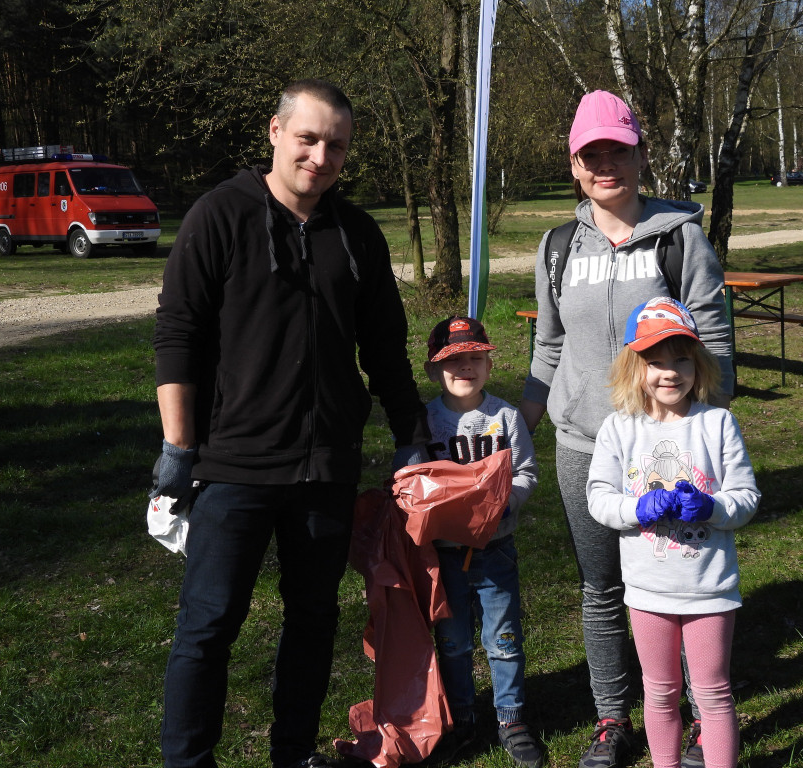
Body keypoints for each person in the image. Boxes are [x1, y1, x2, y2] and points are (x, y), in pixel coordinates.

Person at [151, 79, 430, 768]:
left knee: (313, 619)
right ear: (275, 133)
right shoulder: (219, 217)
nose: (320, 155)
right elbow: (177, 337)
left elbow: (385, 347)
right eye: (308, 138)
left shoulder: (356, 234)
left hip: (325, 467)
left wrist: (410, 435)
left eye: (335, 144)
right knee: (209, 627)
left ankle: (293, 753)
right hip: (233, 466)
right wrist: (177, 449)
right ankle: (189, 760)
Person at [518, 90, 734, 768]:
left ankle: (701, 719)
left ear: (640, 155)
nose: (605, 163)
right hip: (583, 447)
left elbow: (714, 336)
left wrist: (706, 425)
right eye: (592, 153)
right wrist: (522, 424)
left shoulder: (680, 238)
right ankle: (614, 720)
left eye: (618, 149)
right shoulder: (557, 247)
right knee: (601, 588)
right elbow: (548, 348)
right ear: (575, 164)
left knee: (686, 581)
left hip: (668, 447)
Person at [586, 297, 760, 768]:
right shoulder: (618, 429)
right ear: (632, 367)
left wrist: (711, 506)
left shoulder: (718, 423)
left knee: (712, 693)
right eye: (655, 361)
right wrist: (637, 508)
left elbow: (745, 498)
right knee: (659, 693)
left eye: (681, 358)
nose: (669, 372)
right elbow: (598, 498)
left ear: (698, 362)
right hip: (647, 591)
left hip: (710, 590)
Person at [421, 316, 543, 768]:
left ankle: (511, 718)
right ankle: (462, 718)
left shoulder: (505, 417)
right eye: (453, 361)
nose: (465, 368)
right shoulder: (425, 421)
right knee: (452, 642)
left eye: (475, 358)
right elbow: (409, 479)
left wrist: (505, 503)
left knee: (504, 639)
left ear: (489, 365)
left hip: (494, 552)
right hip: (444, 557)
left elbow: (527, 471)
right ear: (434, 371)